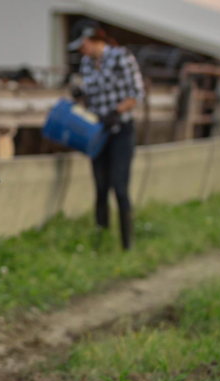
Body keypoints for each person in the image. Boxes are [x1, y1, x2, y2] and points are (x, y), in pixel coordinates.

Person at [69, 19, 145, 251]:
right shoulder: (86, 64)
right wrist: (79, 95)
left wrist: (116, 111)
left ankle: (127, 245)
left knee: (119, 188)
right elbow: (89, 97)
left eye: (82, 44)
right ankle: (101, 242)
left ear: (92, 39)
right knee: (100, 188)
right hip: (99, 132)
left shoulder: (121, 57)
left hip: (121, 129)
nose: (81, 50)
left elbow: (137, 93)